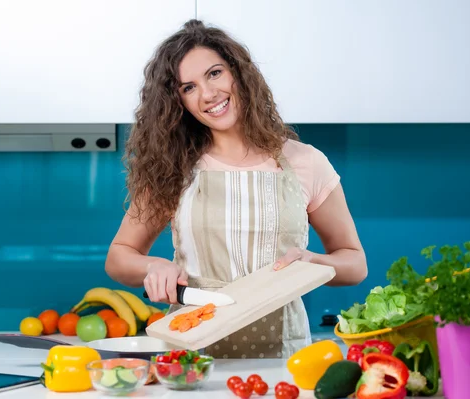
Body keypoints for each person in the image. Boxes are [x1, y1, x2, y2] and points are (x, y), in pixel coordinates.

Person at [105, 19, 367, 359]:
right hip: (190, 358)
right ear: (178, 102)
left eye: (214, 73)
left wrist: (311, 262)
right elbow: (119, 256)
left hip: (284, 360)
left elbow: (355, 263)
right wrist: (152, 267)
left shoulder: (306, 162)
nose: (208, 94)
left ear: (238, 72)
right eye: (189, 87)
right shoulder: (174, 167)